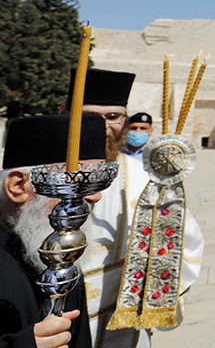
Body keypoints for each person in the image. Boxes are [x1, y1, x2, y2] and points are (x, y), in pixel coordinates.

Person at [71, 69, 203, 348]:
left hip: (123, 328)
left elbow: (184, 243)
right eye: (90, 116)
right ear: (65, 113)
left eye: (113, 117)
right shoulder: (36, 177)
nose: (103, 127)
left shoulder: (147, 179)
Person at [1, 113, 108, 348]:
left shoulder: (59, 251)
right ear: (18, 186)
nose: (95, 196)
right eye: (78, 181)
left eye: (98, 182)